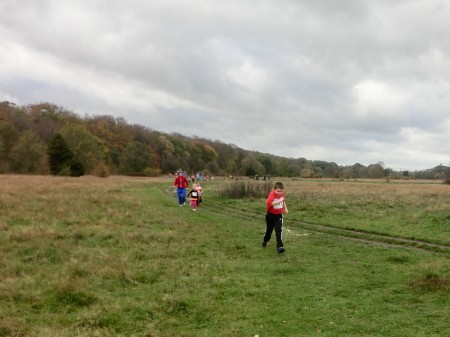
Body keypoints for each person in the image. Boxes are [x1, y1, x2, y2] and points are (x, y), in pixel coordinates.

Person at [262, 181, 289, 253]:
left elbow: (283, 201)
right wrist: (279, 200)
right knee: (269, 231)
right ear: (274, 190)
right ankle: (265, 240)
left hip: (278, 215)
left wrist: (285, 208)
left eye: (281, 191)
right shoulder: (272, 194)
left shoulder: (282, 194)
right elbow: (269, 203)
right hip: (270, 215)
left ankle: (279, 247)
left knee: (278, 231)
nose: (279, 193)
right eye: (278, 191)